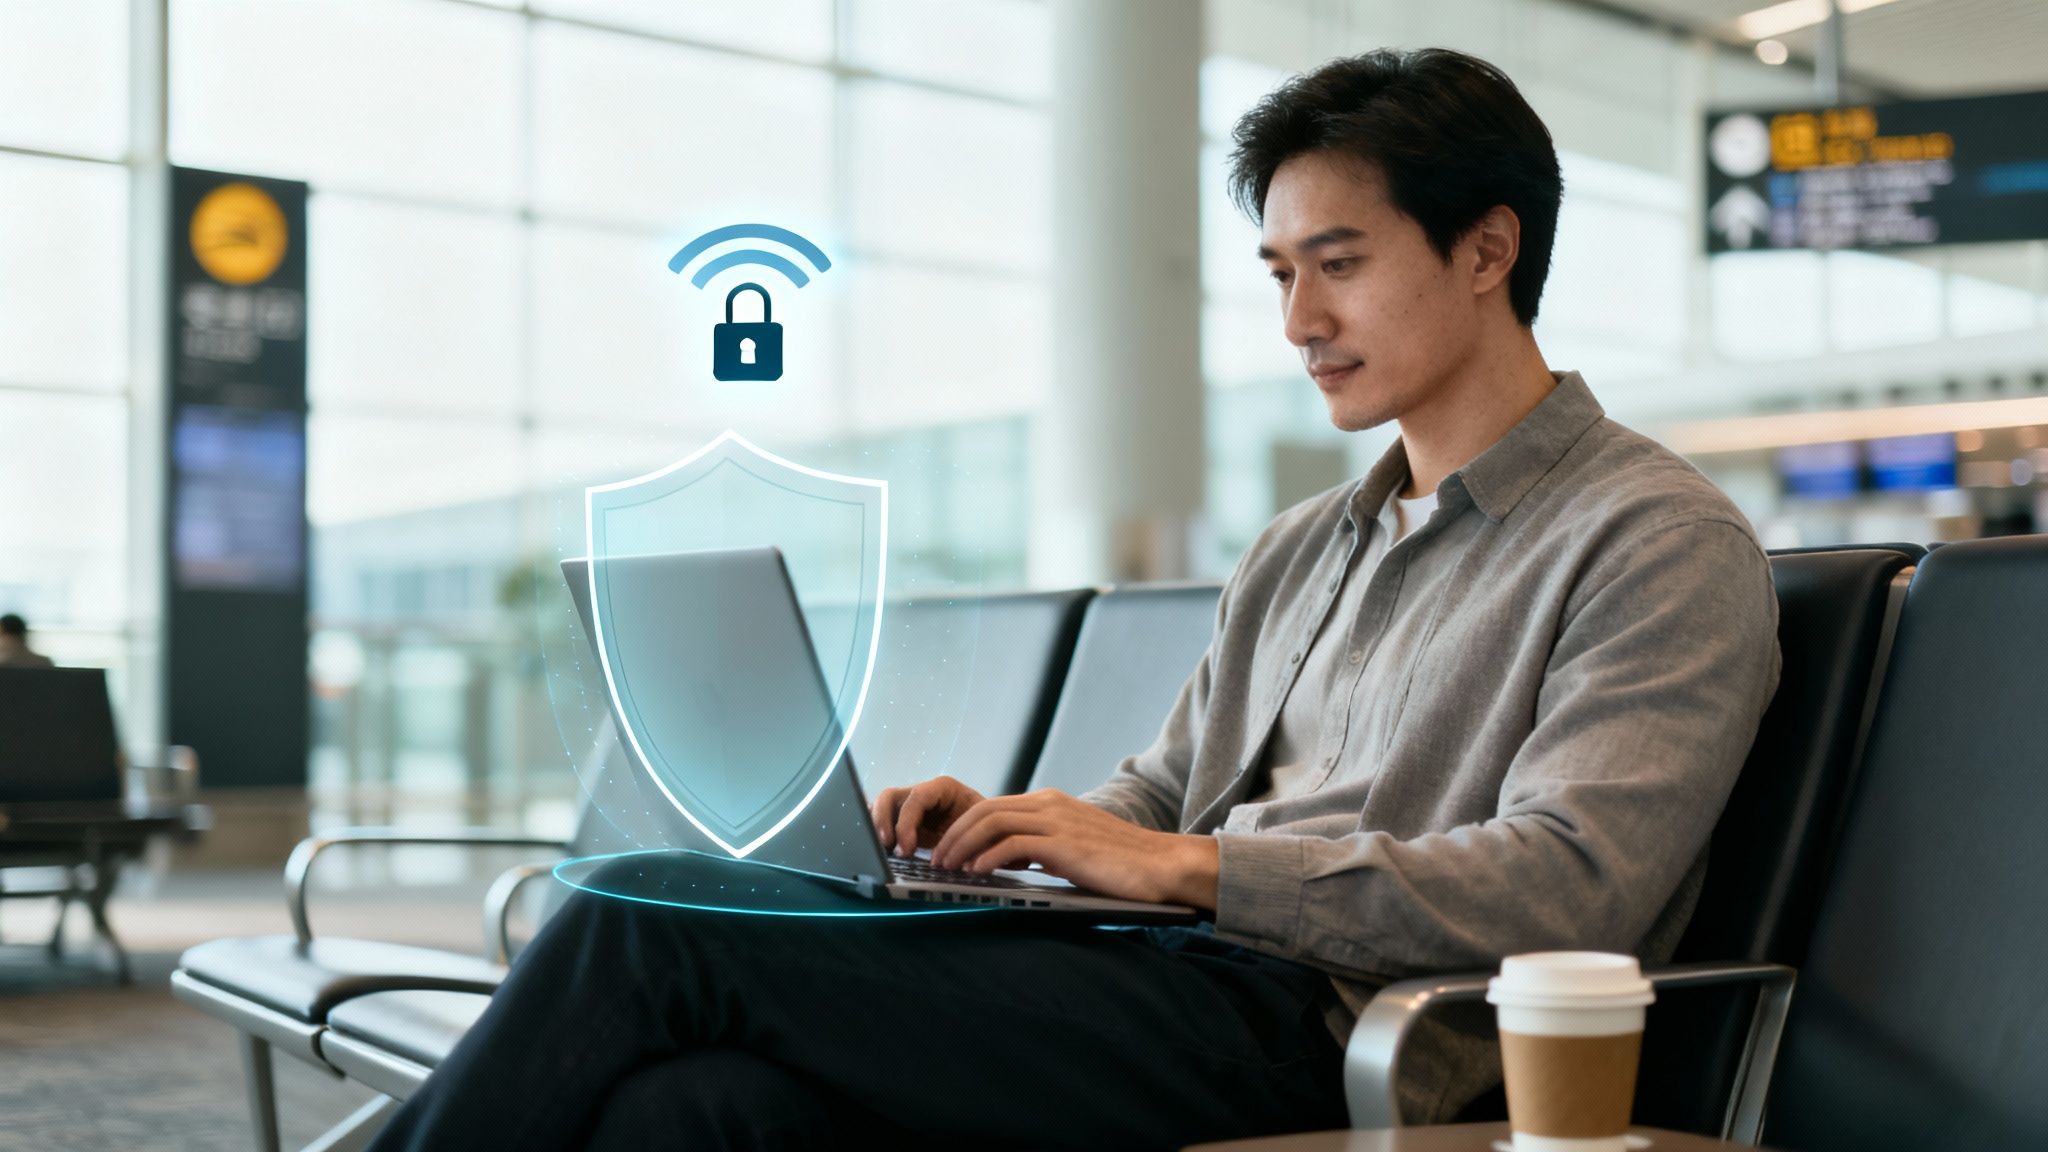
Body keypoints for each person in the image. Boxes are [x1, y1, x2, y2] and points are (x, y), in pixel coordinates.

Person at [369, 48, 1779, 1150]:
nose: (1298, 323)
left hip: (1350, 1040)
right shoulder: (1305, 546)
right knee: (693, 1114)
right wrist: (1016, 836)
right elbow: (1159, 797)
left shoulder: (1652, 539)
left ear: (1487, 249)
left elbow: (1570, 887)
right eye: (1283, 274)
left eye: (1339, 267)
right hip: (1166, 985)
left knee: (650, 910)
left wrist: (1189, 873)